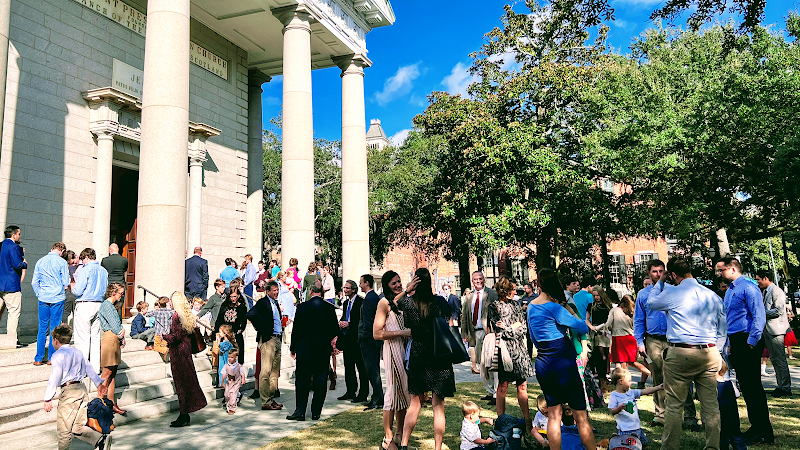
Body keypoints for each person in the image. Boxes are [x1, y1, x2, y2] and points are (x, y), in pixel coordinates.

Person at [649, 257, 726, 450]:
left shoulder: (674, 292)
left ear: (673, 275)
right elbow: (722, 328)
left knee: (674, 404)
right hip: (709, 351)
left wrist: (659, 282)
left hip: (681, 351)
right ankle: (713, 447)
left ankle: (670, 447)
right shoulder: (712, 295)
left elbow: (651, 302)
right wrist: (719, 351)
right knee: (710, 405)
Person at [526, 268, 595, 450]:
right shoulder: (555, 308)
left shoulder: (532, 306)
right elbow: (581, 326)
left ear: (539, 284)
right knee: (581, 415)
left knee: (554, 415)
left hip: (544, 362)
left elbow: (533, 337)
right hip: (563, 361)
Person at [716, 256, 774, 445]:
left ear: (733, 269)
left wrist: (751, 341)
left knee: (753, 387)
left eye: (721, 270)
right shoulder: (731, 290)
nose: (719, 274)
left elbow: (759, 315)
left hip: (747, 339)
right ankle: (756, 426)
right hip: (737, 340)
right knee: (747, 387)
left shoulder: (748, 287)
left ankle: (763, 431)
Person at [397, 268, 455, 450]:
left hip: (418, 354)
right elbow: (447, 322)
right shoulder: (439, 302)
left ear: (415, 282)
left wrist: (406, 290)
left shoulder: (408, 303)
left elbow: (393, 303)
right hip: (438, 354)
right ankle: (437, 447)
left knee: (415, 403)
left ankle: (404, 443)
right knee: (438, 406)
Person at [42, 324, 109, 450]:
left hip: (68, 392)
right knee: (77, 426)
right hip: (81, 390)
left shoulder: (57, 355)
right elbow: (89, 368)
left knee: (64, 430)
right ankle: (99, 440)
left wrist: (48, 398)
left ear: (56, 341)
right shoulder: (78, 352)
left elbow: (55, 376)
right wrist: (98, 383)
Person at [286, 282, 339, 421]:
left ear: (310, 292)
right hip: (322, 349)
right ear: (321, 292)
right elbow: (335, 329)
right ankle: (316, 412)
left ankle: (300, 412)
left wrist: (293, 348)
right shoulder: (329, 308)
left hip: (305, 349)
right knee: (320, 380)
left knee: (302, 380)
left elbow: (296, 330)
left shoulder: (302, 307)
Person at [488, 276, 533, 431]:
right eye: (513, 289)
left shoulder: (516, 305)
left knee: (522, 385)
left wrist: (510, 328)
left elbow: (523, 329)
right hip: (504, 350)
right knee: (502, 386)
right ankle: (501, 422)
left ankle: (527, 421)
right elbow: (498, 330)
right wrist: (511, 327)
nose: (515, 291)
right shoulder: (494, 306)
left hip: (519, 349)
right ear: (505, 290)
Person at [373, 271, 413, 450]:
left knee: (404, 395)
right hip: (392, 351)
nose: (398, 285)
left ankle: (399, 435)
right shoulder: (383, 303)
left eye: (399, 281)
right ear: (386, 285)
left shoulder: (400, 302)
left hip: (405, 351)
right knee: (391, 395)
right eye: (393, 283)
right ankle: (388, 438)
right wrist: (402, 333)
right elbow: (377, 333)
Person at [163, 292, 207, 427]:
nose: (170, 303)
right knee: (187, 381)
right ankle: (185, 413)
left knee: (181, 384)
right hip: (186, 351)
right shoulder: (186, 315)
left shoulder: (177, 316)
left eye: (171, 300)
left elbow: (176, 337)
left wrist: (164, 336)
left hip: (178, 354)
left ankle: (184, 415)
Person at [460, 271, 499, 403]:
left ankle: (496, 393)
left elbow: (498, 312)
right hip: (474, 332)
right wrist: (464, 333)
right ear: (472, 281)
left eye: (480, 278)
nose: (478, 281)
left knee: (492, 363)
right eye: (475, 279)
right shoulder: (469, 296)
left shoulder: (491, 294)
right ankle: (489, 391)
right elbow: (464, 315)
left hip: (489, 332)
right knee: (481, 364)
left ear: (484, 279)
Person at [247, 280, 284, 411]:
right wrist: (261, 328)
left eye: (277, 290)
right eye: (274, 290)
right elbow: (250, 314)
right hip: (268, 339)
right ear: (267, 291)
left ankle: (271, 397)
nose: (276, 292)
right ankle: (265, 401)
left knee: (275, 371)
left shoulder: (275, 303)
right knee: (266, 371)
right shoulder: (263, 302)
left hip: (278, 338)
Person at [755, 269, 792, 397]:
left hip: (777, 330)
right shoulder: (765, 291)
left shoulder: (776, 291)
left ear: (766, 278)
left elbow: (779, 311)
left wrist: (761, 313)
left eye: (758, 279)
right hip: (769, 330)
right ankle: (780, 385)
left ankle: (785, 387)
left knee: (780, 359)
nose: (757, 282)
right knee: (775, 360)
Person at [32, 242, 70, 365]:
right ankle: (51, 357)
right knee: (55, 328)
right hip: (57, 297)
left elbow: (34, 282)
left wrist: (40, 293)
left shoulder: (40, 261)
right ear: (62, 251)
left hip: (43, 297)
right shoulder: (62, 262)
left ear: (52, 248)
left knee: (42, 328)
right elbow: (65, 281)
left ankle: (38, 358)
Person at [600, 294, 650, 387]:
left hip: (619, 338)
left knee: (623, 363)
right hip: (631, 338)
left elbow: (608, 324)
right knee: (633, 362)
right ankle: (651, 374)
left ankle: (627, 385)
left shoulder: (615, 310)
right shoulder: (633, 311)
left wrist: (604, 330)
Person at [72, 248, 108, 374]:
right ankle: (95, 367)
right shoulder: (103, 271)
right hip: (99, 303)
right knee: (95, 336)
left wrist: (72, 287)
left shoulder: (84, 270)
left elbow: (78, 290)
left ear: (86, 257)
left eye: (82, 260)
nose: (82, 262)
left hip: (85, 303)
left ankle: (81, 369)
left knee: (82, 338)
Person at [608, 367, 664, 446]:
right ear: (621, 381)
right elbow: (612, 411)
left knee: (644, 444)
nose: (631, 383)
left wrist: (658, 387)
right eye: (629, 381)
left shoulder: (631, 392)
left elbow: (644, 391)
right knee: (628, 446)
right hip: (625, 430)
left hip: (637, 427)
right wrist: (619, 408)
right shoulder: (614, 396)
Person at [99, 281, 127, 415]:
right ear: (113, 292)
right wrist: (121, 334)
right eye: (120, 293)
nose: (122, 296)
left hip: (114, 338)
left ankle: (111, 402)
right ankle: (100, 402)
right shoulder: (107, 305)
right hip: (110, 338)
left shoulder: (111, 305)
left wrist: (121, 336)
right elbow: (115, 325)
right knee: (107, 373)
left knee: (113, 372)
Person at [337, 279, 368, 403]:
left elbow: (361, 320)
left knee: (361, 367)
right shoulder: (345, 303)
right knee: (348, 366)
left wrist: (349, 324)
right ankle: (350, 391)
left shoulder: (361, 302)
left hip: (358, 339)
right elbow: (346, 316)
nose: (345, 290)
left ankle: (363, 393)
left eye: (347, 288)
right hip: (347, 339)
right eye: (344, 288)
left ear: (354, 290)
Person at [358, 273, 384, 410]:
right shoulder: (374, 298)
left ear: (367, 283)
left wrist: (363, 337)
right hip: (372, 340)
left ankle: (378, 399)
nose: (360, 285)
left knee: (372, 371)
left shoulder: (369, 299)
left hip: (369, 341)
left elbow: (368, 322)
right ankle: (376, 397)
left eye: (361, 283)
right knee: (373, 371)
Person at [0, 225, 26, 347]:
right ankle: (11, 340)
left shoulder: (1, 245)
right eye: (19, 234)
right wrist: (24, 263)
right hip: (11, 286)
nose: (19, 236)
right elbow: (17, 265)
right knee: (13, 313)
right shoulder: (14, 247)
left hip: (0, 284)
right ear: (14, 235)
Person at [717, 359, 747, 450]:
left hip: (719, 414)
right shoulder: (729, 383)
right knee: (736, 433)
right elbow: (737, 394)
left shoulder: (713, 385)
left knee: (722, 434)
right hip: (732, 413)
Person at [588, 285, 613, 394]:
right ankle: (601, 379)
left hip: (605, 333)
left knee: (605, 356)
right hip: (596, 333)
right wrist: (591, 327)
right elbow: (587, 319)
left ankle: (604, 379)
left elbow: (611, 320)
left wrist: (607, 328)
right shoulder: (591, 306)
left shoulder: (608, 306)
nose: (597, 298)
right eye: (594, 296)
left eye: (598, 295)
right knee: (599, 355)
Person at [215, 286, 247, 364]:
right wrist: (217, 333)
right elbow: (219, 320)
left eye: (234, 296)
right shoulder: (224, 305)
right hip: (225, 335)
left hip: (236, 336)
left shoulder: (242, 307)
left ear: (238, 296)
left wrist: (239, 331)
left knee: (237, 361)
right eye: (231, 296)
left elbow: (244, 322)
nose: (233, 298)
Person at [100, 243, 128, 318]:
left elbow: (103, 272)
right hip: (120, 284)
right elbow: (125, 269)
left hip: (109, 285)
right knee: (119, 305)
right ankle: (118, 323)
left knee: (109, 304)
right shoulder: (124, 260)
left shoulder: (105, 260)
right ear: (117, 250)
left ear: (110, 250)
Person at [222, 349, 245, 414]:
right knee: (227, 395)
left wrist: (243, 379)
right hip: (229, 383)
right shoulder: (226, 366)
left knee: (233, 394)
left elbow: (242, 373)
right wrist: (222, 382)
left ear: (236, 357)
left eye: (231, 357)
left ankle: (232, 408)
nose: (229, 359)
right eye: (229, 357)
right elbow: (224, 374)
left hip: (236, 382)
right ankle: (229, 403)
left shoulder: (238, 366)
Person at [61, 250, 80, 326]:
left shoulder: (83, 265)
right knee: (65, 312)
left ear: (76, 256)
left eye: (73, 262)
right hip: (69, 292)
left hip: (78, 292)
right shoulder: (69, 267)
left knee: (77, 313)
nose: (73, 265)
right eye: (70, 264)